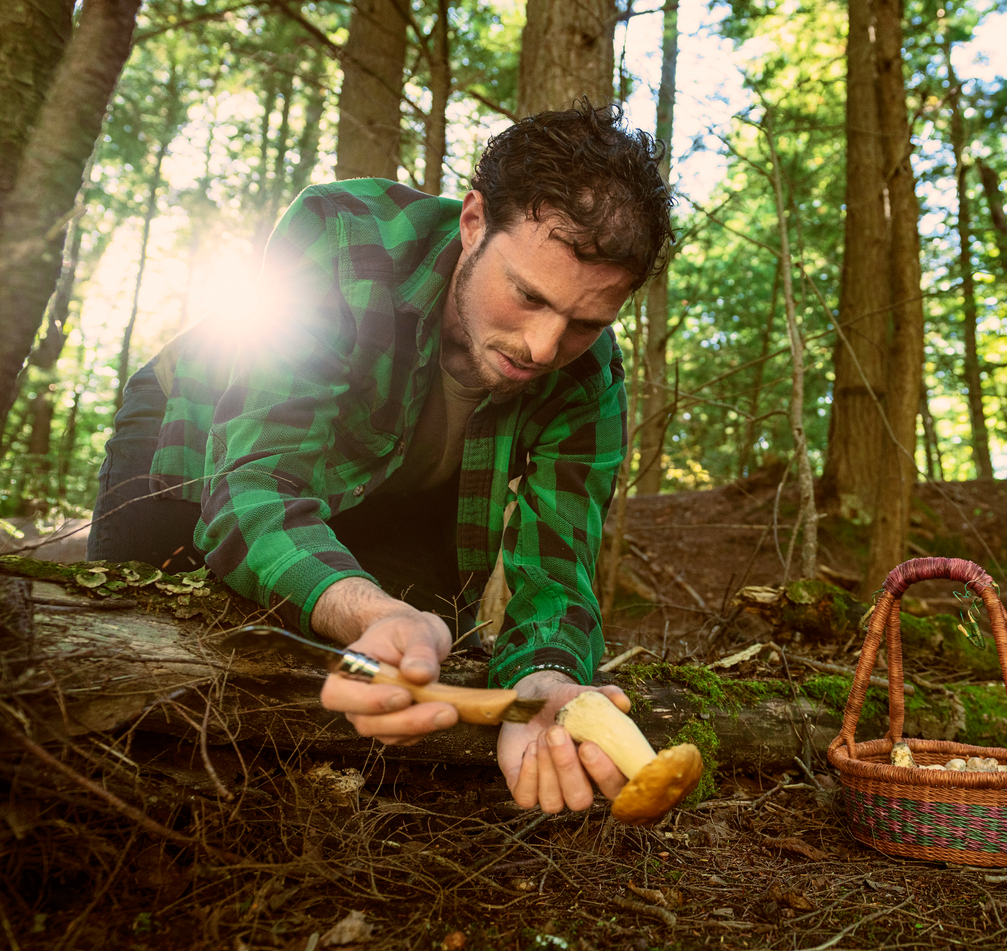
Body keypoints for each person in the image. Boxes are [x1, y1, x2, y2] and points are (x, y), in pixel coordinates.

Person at [88, 101, 673, 816]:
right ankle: (59, 548)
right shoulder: (341, 235)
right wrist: (361, 604)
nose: (545, 347)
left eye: (586, 322)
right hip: (201, 431)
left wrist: (548, 679)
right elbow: (257, 484)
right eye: (526, 295)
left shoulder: (589, 377)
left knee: (401, 667)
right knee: (140, 630)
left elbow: (557, 568)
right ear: (474, 222)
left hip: (397, 489)